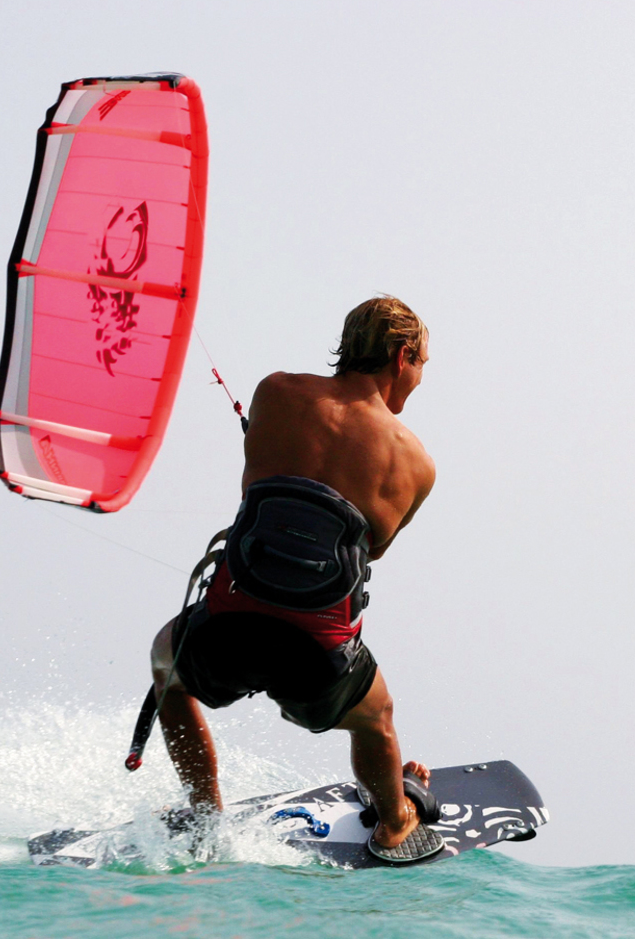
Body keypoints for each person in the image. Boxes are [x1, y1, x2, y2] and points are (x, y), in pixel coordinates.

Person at [149, 296, 437, 857]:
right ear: (402, 356)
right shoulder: (415, 463)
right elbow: (368, 552)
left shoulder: (275, 392)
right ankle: (397, 822)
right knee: (375, 717)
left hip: (230, 626)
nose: (420, 378)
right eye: (423, 364)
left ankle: (204, 812)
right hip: (317, 659)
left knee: (167, 662)